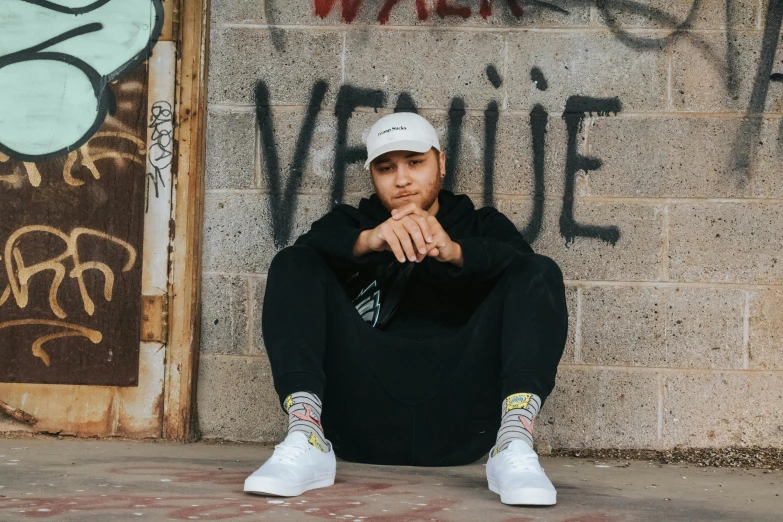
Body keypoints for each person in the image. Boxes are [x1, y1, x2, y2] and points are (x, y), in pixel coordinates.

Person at [243, 112, 569, 506]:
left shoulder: (481, 224)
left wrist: (455, 252)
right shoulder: (351, 222)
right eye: (386, 168)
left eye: (415, 163)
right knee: (293, 262)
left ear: (441, 163)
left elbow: (520, 266)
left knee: (538, 270)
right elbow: (313, 250)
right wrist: (368, 241)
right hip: (360, 416)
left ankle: (515, 441)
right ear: (373, 176)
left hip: (461, 417)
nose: (401, 179)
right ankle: (306, 434)